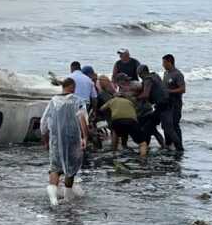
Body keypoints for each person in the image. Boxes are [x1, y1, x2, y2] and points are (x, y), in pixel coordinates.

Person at [40, 78, 90, 206]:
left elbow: (43, 123)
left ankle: (53, 199)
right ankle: (68, 197)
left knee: (55, 169)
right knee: (70, 168)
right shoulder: (78, 101)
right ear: (73, 87)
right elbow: (83, 120)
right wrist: (85, 138)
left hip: (56, 140)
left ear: (63, 87)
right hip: (73, 139)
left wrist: (45, 140)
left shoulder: (53, 101)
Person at [137, 64, 178, 149]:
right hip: (167, 104)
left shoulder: (148, 79)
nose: (140, 77)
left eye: (139, 74)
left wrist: (135, 98)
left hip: (163, 106)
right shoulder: (155, 75)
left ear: (143, 73)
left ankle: (179, 148)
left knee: (167, 129)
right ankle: (165, 146)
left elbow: (145, 95)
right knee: (151, 127)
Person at [100, 93, 149, 158]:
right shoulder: (129, 102)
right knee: (142, 143)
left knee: (115, 132)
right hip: (131, 121)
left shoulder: (112, 100)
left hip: (117, 121)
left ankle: (113, 152)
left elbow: (101, 109)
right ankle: (143, 159)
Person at [162, 54, 185, 151]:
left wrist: (169, 91)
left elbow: (183, 89)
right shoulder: (166, 73)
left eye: (164, 62)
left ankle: (179, 146)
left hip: (175, 104)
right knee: (165, 125)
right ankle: (168, 144)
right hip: (166, 104)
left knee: (174, 124)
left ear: (169, 62)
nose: (162, 65)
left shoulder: (177, 74)